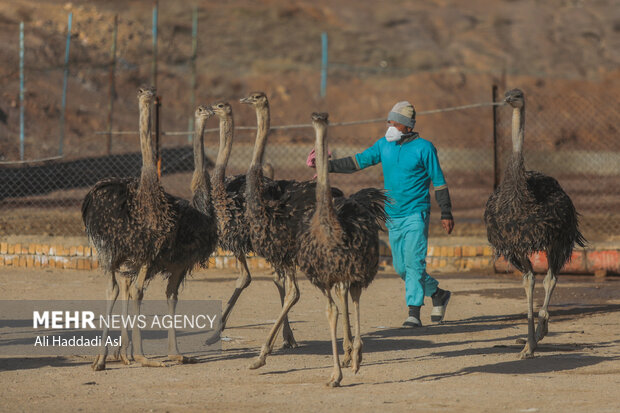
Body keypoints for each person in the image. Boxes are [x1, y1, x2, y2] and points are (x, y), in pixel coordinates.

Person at [307, 101, 454, 327]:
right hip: (392, 215)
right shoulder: (384, 145)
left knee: (414, 263)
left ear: (406, 126)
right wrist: (326, 166)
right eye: (389, 121)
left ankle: (413, 312)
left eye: (394, 122)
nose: (390, 126)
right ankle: (438, 294)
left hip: (416, 213)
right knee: (402, 268)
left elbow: (440, 182)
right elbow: (358, 161)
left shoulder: (425, 148)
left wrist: (446, 212)